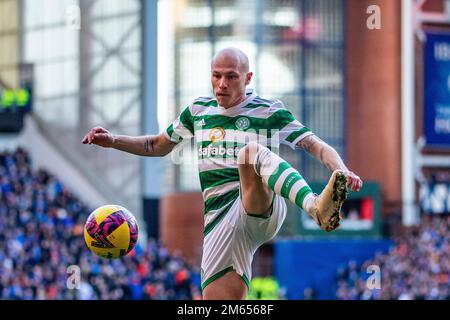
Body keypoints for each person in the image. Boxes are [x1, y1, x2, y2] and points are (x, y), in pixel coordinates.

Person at [82, 47, 363, 300]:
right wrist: (113, 140)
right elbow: (157, 145)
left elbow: (316, 145)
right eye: (216, 76)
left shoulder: (268, 110)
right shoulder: (197, 111)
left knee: (250, 153)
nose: (222, 84)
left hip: (257, 205)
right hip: (219, 223)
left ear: (248, 78)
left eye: (231, 76)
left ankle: (315, 207)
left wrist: (342, 170)